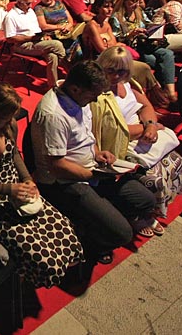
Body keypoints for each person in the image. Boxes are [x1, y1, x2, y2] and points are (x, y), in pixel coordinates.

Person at [0, 83, 83, 288]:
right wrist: (8, 190)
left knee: (65, 229)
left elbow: (14, 155)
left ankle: (33, 272)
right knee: (38, 253)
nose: (9, 121)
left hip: (17, 190)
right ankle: (26, 276)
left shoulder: (9, 126)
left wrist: (27, 179)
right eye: (4, 117)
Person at [30, 61, 157, 265]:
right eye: (92, 96)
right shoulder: (54, 114)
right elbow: (57, 166)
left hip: (91, 169)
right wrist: (91, 175)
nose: (96, 100)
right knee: (123, 234)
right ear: (75, 88)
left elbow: (86, 136)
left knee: (146, 200)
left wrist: (98, 153)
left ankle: (98, 219)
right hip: (65, 182)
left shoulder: (80, 98)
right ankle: (87, 242)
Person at [92, 47, 182, 222]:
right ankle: (139, 214)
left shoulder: (127, 84)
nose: (116, 75)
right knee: (157, 181)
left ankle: (151, 211)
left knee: (177, 161)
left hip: (142, 133)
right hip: (123, 142)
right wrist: (146, 129)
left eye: (121, 71)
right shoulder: (98, 95)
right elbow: (113, 132)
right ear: (102, 66)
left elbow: (146, 107)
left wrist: (151, 125)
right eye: (111, 70)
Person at [110, 0, 177, 101]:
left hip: (145, 44)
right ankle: (160, 93)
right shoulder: (117, 17)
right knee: (156, 62)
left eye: (138, 1)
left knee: (167, 54)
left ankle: (170, 92)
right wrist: (130, 35)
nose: (136, 5)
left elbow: (148, 25)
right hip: (130, 49)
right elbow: (115, 40)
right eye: (133, 1)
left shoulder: (139, 12)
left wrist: (154, 29)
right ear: (125, 1)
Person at [4, 0, 66, 87]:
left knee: (52, 56)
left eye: (31, 2)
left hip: (36, 41)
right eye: (28, 3)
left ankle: (53, 87)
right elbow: (10, 39)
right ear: (19, 2)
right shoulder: (11, 16)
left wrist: (43, 36)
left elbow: (37, 29)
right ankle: (69, 71)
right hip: (22, 45)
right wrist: (30, 38)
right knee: (57, 45)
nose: (30, 5)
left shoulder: (30, 11)